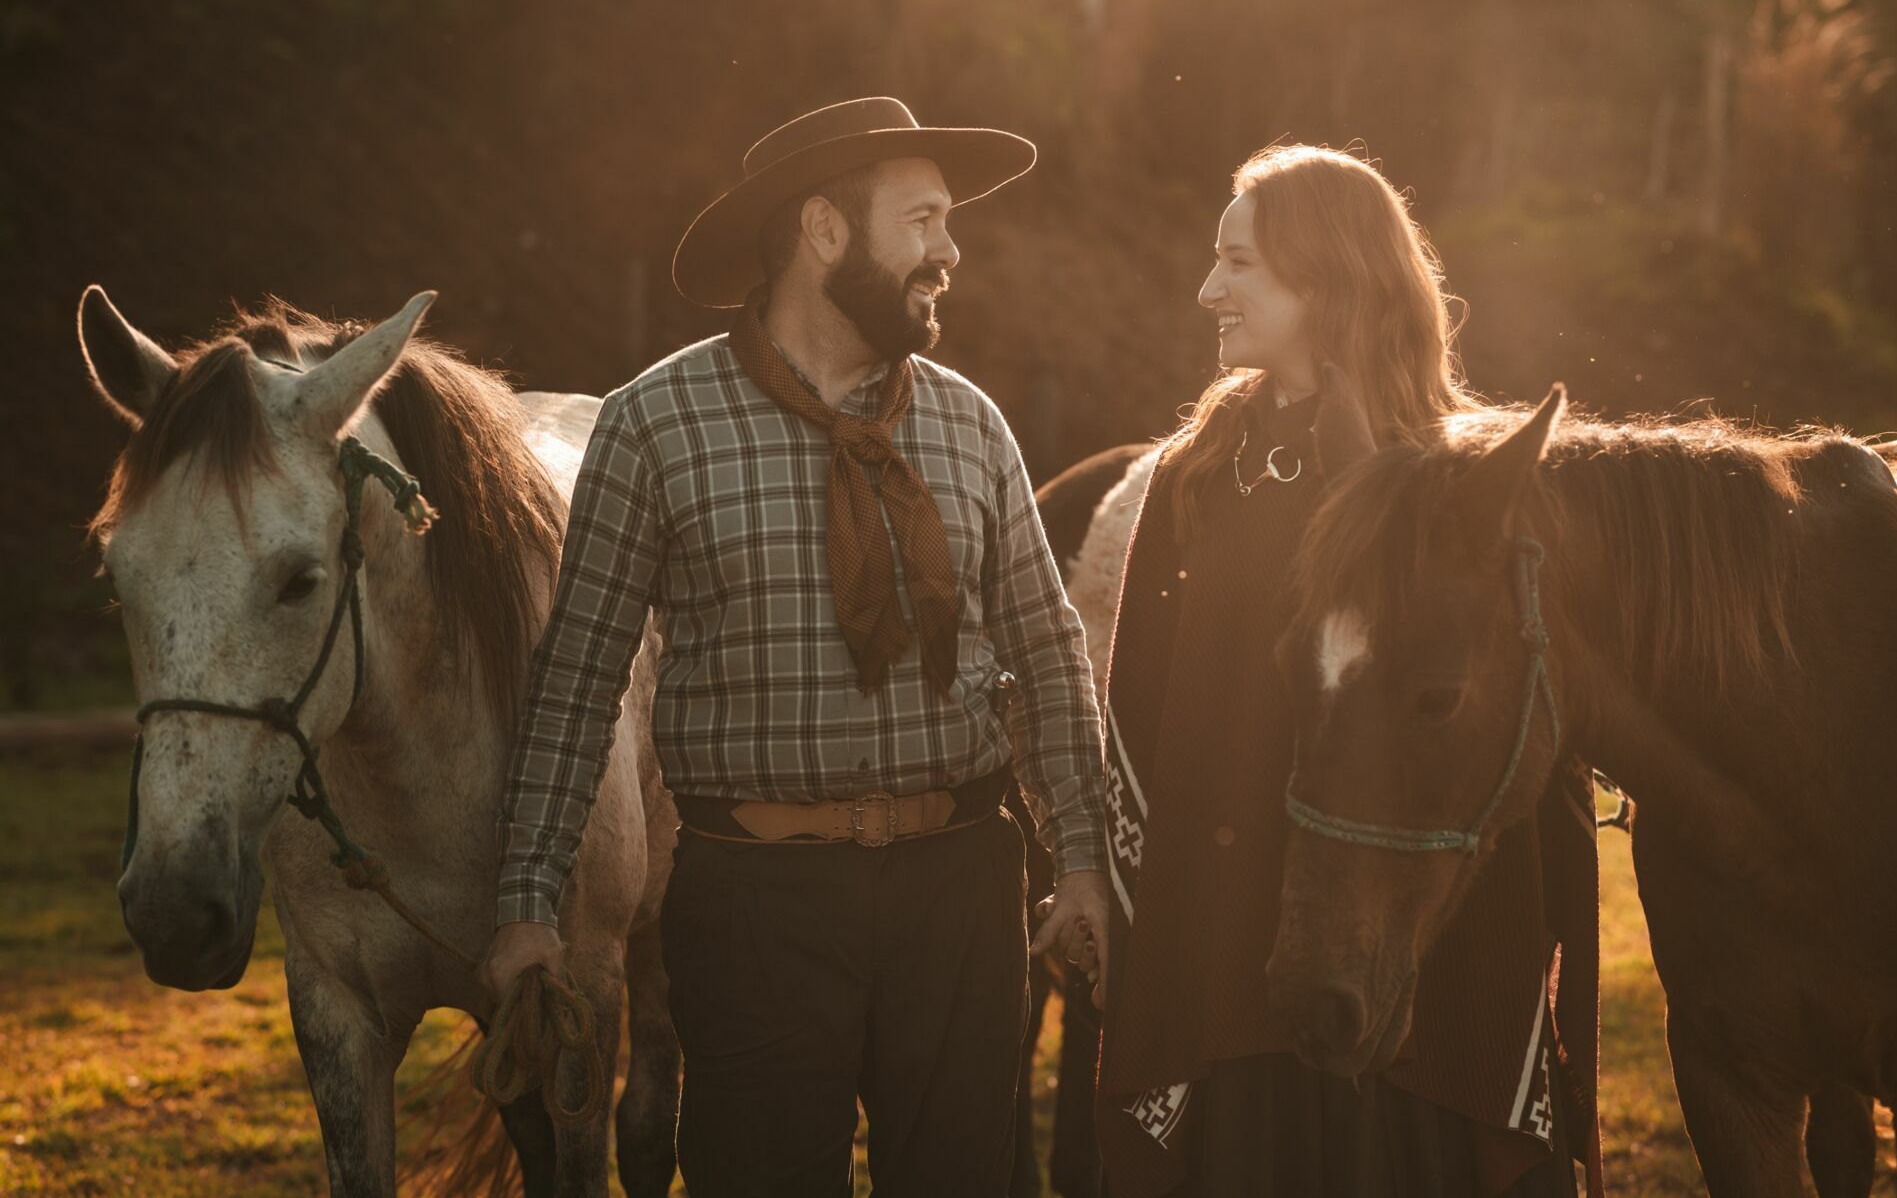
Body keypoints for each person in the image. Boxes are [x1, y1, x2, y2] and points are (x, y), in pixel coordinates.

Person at [478, 96, 1110, 1196]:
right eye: (922, 220)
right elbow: (575, 682)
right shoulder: (654, 426)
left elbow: (1049, 653)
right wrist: (527, 905)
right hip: (754, 901)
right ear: (824, 229)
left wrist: (1086, 858)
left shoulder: (971, 424)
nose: (949, 251)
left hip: (962, 888)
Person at [1093, 144, 1600, 1196]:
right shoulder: (1198, 479)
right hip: (1232, 955)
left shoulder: (1466, 486)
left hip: (1428, 975)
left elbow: (1516, 730)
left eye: (1238, 264)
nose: (1207, 291)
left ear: (1323, 279)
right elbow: (1141, 708)